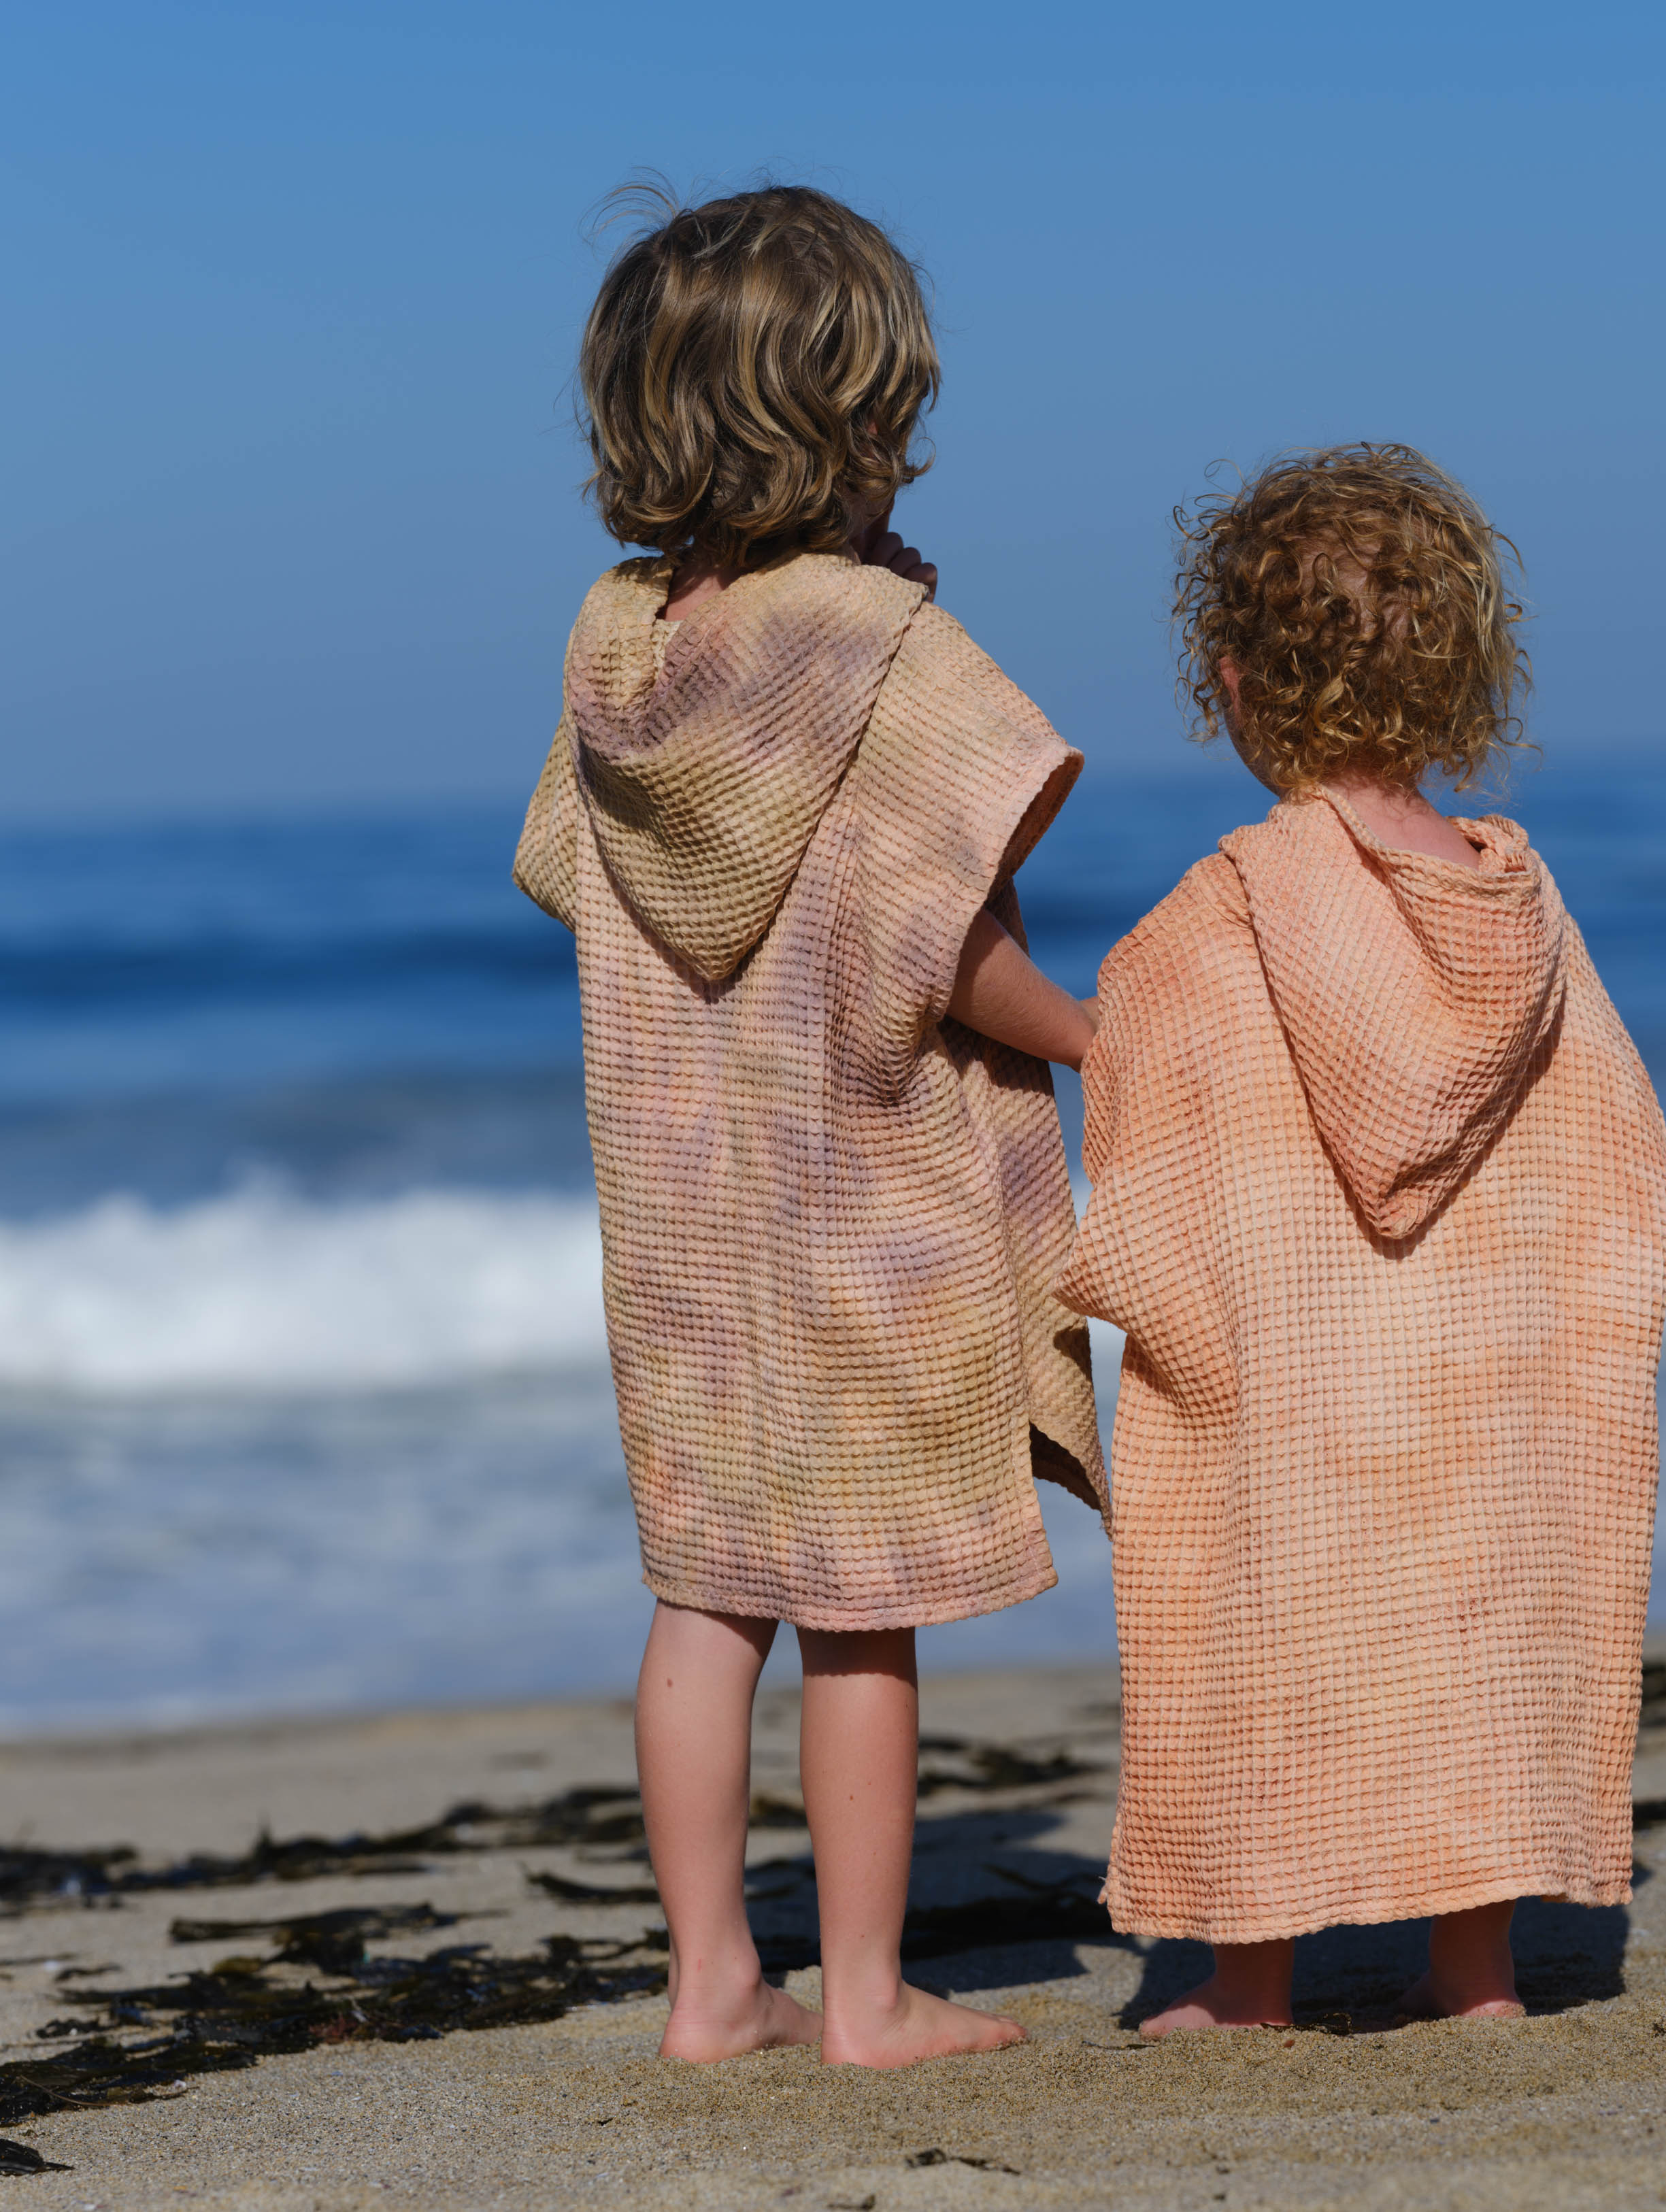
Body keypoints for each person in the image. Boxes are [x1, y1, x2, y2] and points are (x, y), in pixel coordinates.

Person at [514, 183, 1103, 2070]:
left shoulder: (614, 645)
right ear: (855, 419)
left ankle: (710, 1985)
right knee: (864, 1611)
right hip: (868, 1205)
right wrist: (1099, 1037)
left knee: (706, 1597)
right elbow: (951, 937)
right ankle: (865, 1996)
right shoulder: (883, 643)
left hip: (684, 1217)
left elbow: (574, 872)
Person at [1059, 445, 1666, 2035]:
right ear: (1466, 679)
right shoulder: (1523, 916)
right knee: (1479, 1623)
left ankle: (1248, 1986)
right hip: (1481, 1395)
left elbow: (1143, 1195)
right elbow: (1634, 1175)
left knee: (1255, 1622)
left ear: (1231, 684)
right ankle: (1476, 1978)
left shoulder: (1205, 930)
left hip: (1299, 1401)